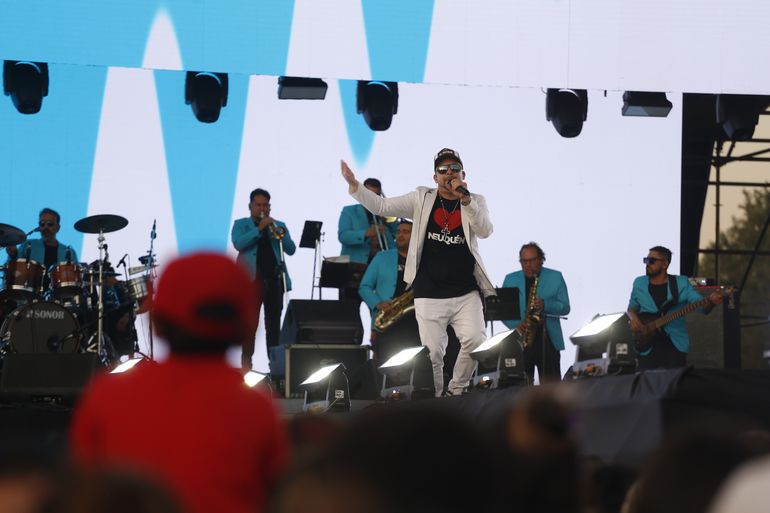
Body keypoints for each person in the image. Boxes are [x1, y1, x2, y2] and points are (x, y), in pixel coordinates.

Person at [70, 252, 290, 513]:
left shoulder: (106, 396)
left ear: (156, 322)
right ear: (247, 325)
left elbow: (80, 491)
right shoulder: (259, 408)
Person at [341, 147, 494, 396]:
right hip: (429, 291)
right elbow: (382, 206)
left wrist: (466, 201)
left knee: (476, 340)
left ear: (463, 174)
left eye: (454, 169)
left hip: (466, 290)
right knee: (433, 354)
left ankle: (457, 389)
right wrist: (355, 186)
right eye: (442, 170)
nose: (449, 173)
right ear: (435, 177)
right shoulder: (422, 198)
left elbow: (485, 230)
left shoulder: (475, 200)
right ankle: (437, 399)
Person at [627, 245, 723, 369]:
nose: (647, 264)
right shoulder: (639, 283)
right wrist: (633, 318)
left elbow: (702, 307)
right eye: (646, 260)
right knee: (645, 380)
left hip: (674, 345)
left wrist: (711, 301)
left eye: (651, 260)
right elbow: (631, 308)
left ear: (665, 264)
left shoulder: (681, 283)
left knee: (674, 380)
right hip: (646, 344)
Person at [231, 188, 296, 370]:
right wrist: (259, 229)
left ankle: (275, 367)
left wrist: (276, 230)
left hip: (274, 281)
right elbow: (239, 244)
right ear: (250, 206)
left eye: (265, 205)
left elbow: (291, 249)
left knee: (273, 326)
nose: (262, 208)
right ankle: (246, 365)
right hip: (250, 283)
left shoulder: (278, 225)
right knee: (249, 325)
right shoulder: (241, 225)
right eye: (258, 205)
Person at [502, 242, 570, 383]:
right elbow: (504, 310)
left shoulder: (555, 277)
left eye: (532, 260)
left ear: (541, 259)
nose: (528, 265)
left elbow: (565, 307)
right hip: (521, 339)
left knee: (552, 386)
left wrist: (546, 304)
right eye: (524, 261)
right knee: (520, 386)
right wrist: (516, 326)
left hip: (548, 339)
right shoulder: (510, 279)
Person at [358, 220, 412, 361]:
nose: (400, 235)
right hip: (388, 320)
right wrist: (378, 303)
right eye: (398, 232)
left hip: (414, 323)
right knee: (384, 365)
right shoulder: (382, 257)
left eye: (406, 232)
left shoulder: (423, 259)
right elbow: (364, 287)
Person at [337, 178, 397, 302]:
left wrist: (389, 216)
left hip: (381, 269)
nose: (372, 199)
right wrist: (366, 233)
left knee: (381, 306)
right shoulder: (350, 211)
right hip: (356, 268)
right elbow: (343, 236)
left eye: (376, 195)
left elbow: (397, 233)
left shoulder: (383, 213)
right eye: (369, 195)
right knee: (350, 307)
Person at [6, 208, 78, 291]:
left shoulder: (68, 252)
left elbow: (75, 280)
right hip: (30, 295)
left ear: (58, 228)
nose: (45, 227)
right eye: (42, 224)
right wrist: (13, 255)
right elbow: (14, 272)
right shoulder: (28, 245)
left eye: (50, 224)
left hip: (59, 296)